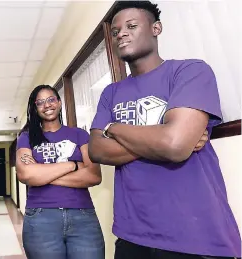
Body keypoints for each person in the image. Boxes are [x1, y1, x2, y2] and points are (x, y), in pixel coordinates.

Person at [88, 1, 241, 259]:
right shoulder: (111, 92)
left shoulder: (190, 71)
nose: (121, 34)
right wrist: (163, 137)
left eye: (131, 26)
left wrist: (113, 128)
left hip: (196, 237)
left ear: (156, 28)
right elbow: (96, 150)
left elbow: (174, 145)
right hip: (131, 235)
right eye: (115, 32)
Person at [15, 84, 105, 259]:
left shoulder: (79, 134)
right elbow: (26, 175)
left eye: (50, 100)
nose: (47, 105)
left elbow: (94, 175)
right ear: (35, 108)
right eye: (40, 102)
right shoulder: (26, 137)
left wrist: (41, 174)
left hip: (83, 216)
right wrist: (73, 165)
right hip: (41, 218)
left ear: (59, 102)